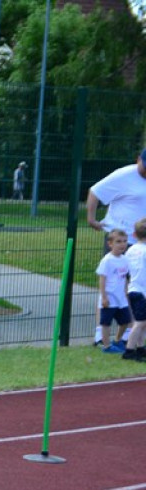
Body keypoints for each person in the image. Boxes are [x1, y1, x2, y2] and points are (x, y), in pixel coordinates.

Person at [86, 147, 146, 344]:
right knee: (113, 286)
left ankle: (130, 334)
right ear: (138, 159)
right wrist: (91, 219)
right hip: (120, 240)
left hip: (141, 243)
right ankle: (100, 334)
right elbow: (95, 191)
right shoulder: (124, 175)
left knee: (136, 288)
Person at [95, 229, 130, 353]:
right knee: (106, 323)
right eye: (118, 242)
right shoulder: (107, 260)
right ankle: (106, 346)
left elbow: (124, 277)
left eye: (125, 241)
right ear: (110, 244)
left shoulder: (125, 259)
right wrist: (104, 297)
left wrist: (126, 291)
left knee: (125, 321)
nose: (122, 244)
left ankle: (117, 340)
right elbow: (102, 279)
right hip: (109, 298)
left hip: (121, 298)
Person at [121, 218, 146, 362]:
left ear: (134, 235)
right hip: (142, 291)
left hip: (133, 289)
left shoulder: (131, 250)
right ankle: (129, 350)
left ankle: (141, 348)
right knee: (140, 323)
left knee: (142, 321)